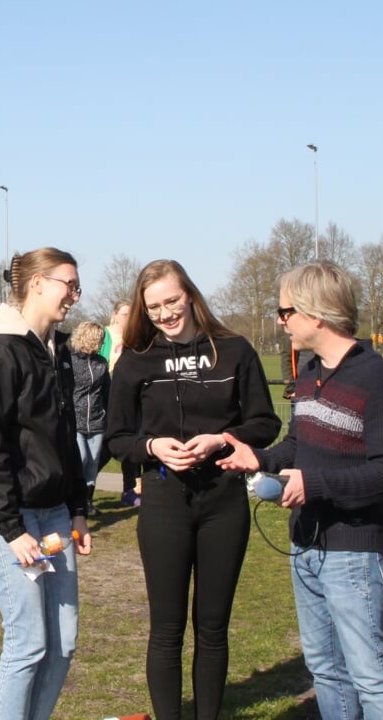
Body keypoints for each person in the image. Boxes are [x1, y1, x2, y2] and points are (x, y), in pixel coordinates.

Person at [220, 260, 383, 720]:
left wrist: (315, 484)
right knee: (324, 667)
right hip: (304, 544)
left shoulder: (379, 380)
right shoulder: (308, 374)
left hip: (353, 551)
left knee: (369, 674)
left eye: (285, 311)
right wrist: (259, 459)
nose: (280, 321)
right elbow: (298, 445)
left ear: (315, 313)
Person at [106, 259, 281, 720]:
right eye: (154, 306)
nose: (165, 313)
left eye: (172, 301)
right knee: (166, 630)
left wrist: (223, 439)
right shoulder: (135, 360)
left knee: (212, 628)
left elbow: (265, 422)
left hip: (223, 501)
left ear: (190, 295)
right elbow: (117, 438)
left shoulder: (234, 350)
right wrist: (152, 446)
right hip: (164, 503)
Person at [0, 247, 91, 720]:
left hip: (55, 513)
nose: (75, 296)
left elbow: (65, 439)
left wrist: (78, 508)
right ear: (37, 283)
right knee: (29, 641)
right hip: (9, 517)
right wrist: (11, 528)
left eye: (78, 287)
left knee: (63, 643)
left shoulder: (55, 352)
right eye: (69, 284)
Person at [98, 300, 142, 507]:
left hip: (130, 398)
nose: (128, 319)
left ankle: (130, 490)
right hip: (105, 397)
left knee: (131, 440)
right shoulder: (103, 335)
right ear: (115, 314)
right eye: (125, 314)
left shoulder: (134, 338)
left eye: (131, 315)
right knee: (103, 447)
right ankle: (82, 490)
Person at [69, 321, 109, 518]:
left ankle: (87, 501)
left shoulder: (101, 363)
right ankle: (72, 498)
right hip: (75, 421)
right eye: (99, 339)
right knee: (81, 458)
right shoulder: (70, 360)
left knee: (93, 462)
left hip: (96, 421)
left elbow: (106, 392)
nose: (102, 343)